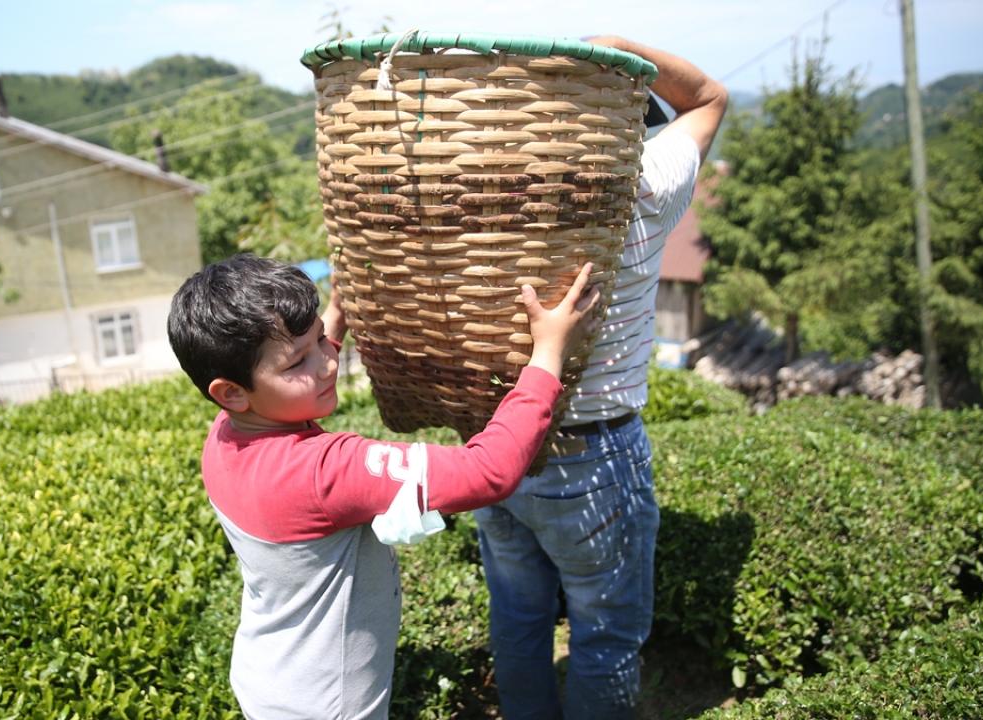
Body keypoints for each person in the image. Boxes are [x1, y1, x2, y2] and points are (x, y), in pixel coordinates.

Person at [167, 253, 601, 719]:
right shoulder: (323, 471)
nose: (328, 364)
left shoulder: (225, 434)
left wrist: (335, 316)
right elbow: (488, 471)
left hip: (269, 675)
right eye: (299, 362)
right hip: (330, 706)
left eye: (321, 339)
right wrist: (548, 354)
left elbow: (288, 373)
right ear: (231, 392)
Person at [472, 37, 729, 719]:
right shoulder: (645, 189)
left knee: (517, 618)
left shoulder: (484, 193)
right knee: (607, 634)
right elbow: (709, 98)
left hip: (493, 442)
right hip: (593, 451)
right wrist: (618, 49)